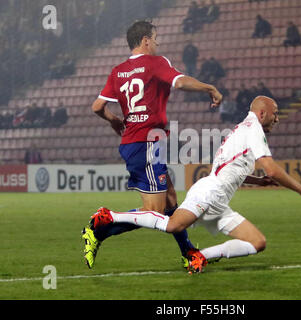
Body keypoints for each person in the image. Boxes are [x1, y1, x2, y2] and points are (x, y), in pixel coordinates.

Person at [88, 96, 301, 273]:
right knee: (172, 225)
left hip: (218, 200)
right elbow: (272, 168)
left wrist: (257, 180)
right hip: (209, 193)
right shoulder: (253, 129)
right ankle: (110, 216)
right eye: (275, 113)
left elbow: (227, 167)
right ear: (262, 114)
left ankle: (199, 256)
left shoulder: (244, 130)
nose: (278, 118)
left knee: (257, 243)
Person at [82, 20, 223, 269]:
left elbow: (97, 107)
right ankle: (102, 224)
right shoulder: (156, 63)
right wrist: (209, 87)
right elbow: (179, 82)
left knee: (170, 201)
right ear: (146, 40)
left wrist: (115, 121)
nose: (157, 43)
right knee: (155, 212)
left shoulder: (118, 71)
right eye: (155, 38)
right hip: (146, 144)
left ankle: (188, 252)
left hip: (138, 142)